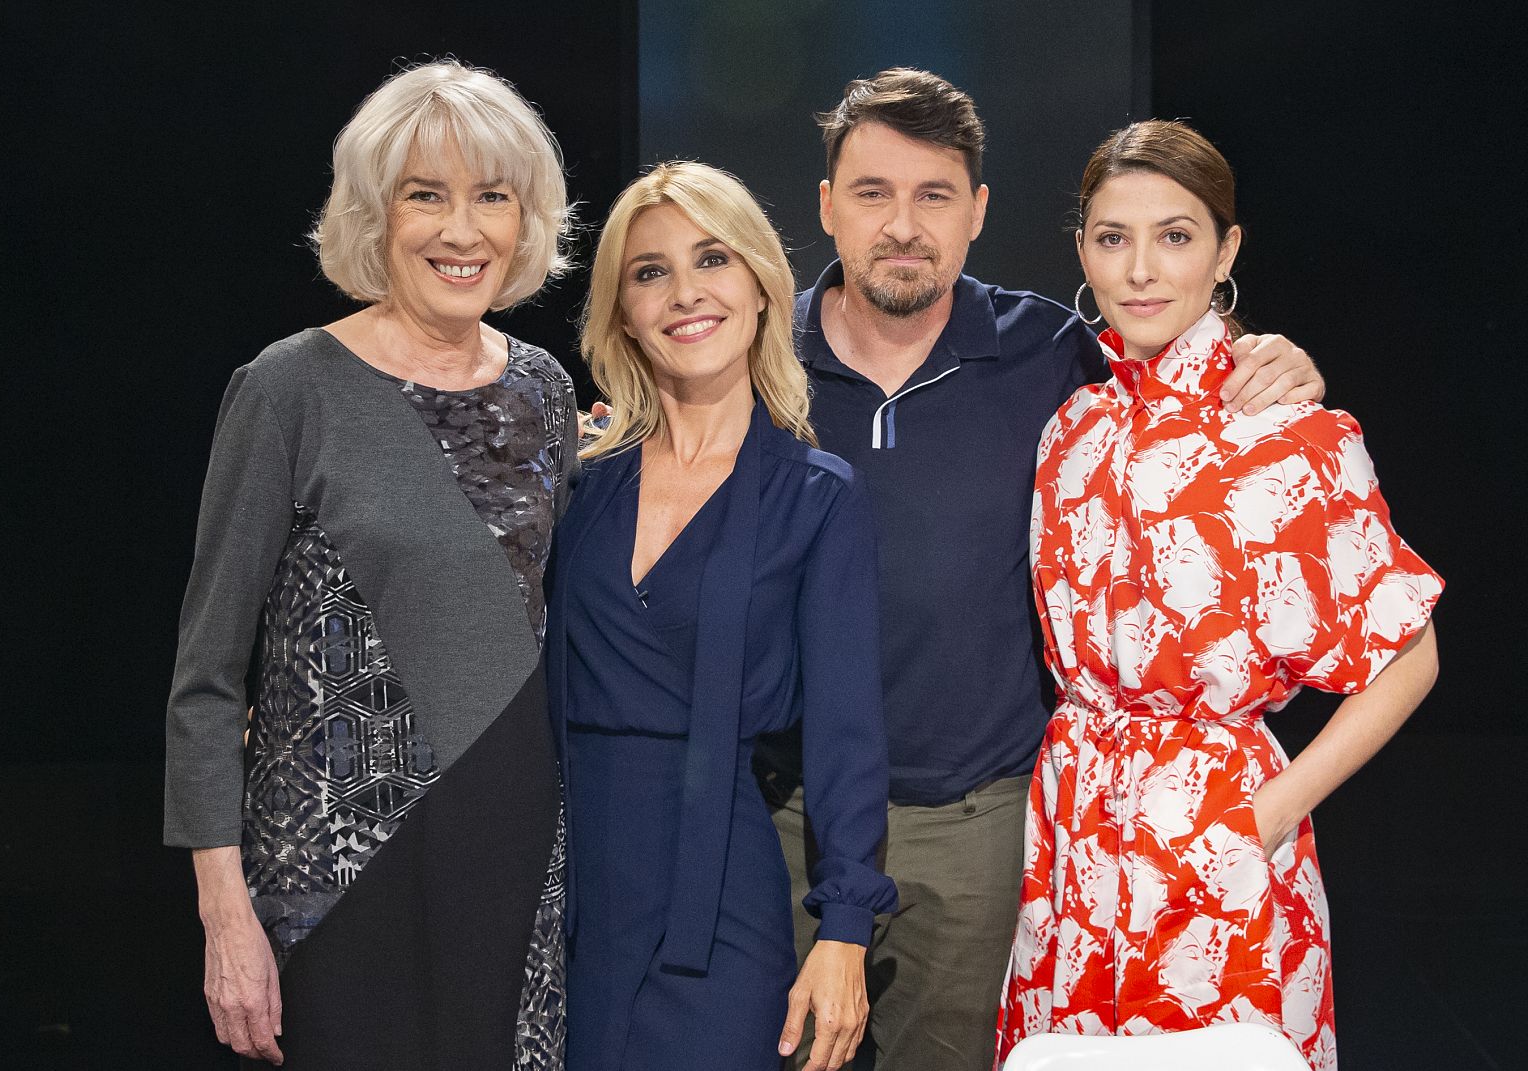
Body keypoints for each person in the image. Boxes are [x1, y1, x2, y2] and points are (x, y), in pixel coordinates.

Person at [758, 69, 1328, 1071]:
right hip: (786, 818)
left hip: (977, 825)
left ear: (977, 211)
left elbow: (1172, 355)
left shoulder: (1052, 354)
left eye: (934, 195)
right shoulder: (759, 359)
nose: (903, 224)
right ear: (824, 207)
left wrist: (1267, 354)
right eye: (872, 192)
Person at [996, 120, 1441, 1071]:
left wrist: (1265, 816)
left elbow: (1410, 654)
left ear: (1226, 249)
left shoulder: (1290, 432)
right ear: (1081, 250)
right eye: (1113, 237)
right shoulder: (1070, 430)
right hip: (1075, 836)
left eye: (1177, 234)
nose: (1142, 270)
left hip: (1217, 840)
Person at [163, 60, 578, 1069]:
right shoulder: (289, 388)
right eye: (423, 196)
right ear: (373, 215)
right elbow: (207, 679)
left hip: (509, 848)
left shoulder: (545, 392)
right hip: (336, 871)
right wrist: (226, 918)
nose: (461, 230)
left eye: (492, 197)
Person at [545, 161, 898, 1071]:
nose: (685, 292)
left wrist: (846, 927)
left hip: (715, 889)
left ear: (760, 287)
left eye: (712, 258)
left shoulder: (816, 497)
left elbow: (846, 737)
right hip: (558, 889)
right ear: (621, 309)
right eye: (649, 270)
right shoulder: (577, 482)